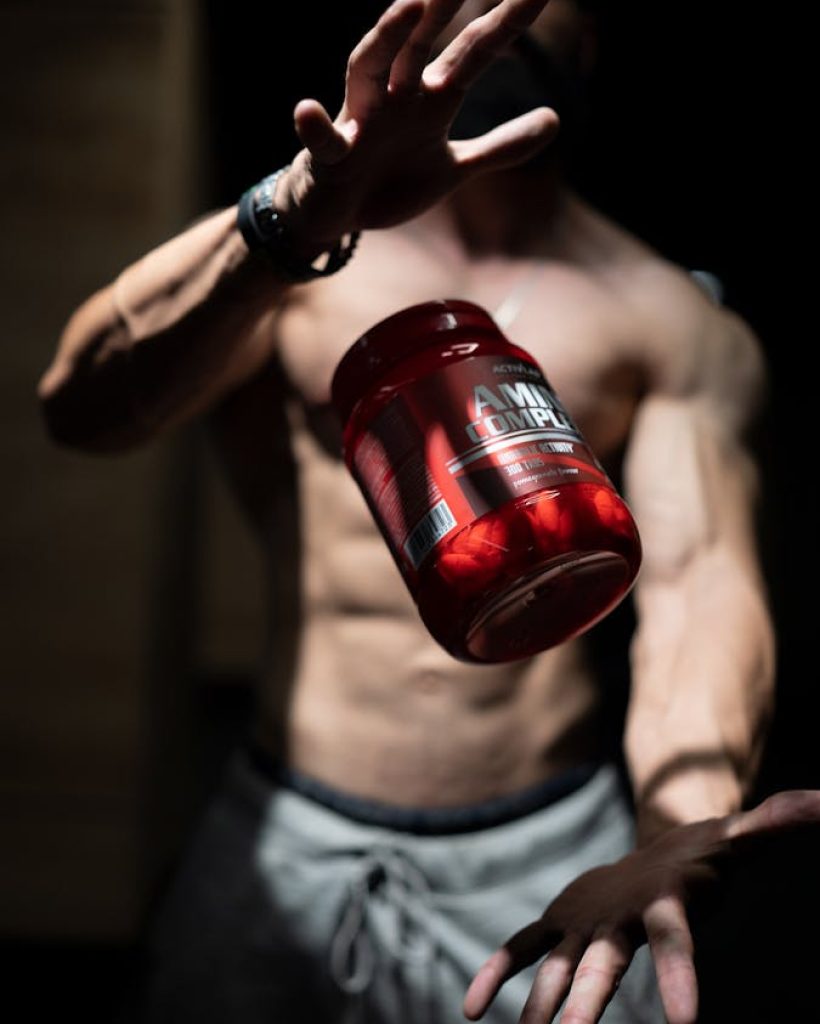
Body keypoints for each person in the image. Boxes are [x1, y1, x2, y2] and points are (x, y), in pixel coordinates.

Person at [37, 1, 819, 1022]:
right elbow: (84, 409)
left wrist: (677, 824)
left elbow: (700, 583)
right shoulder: (298, 256)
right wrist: (294, 216)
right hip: (286, 830)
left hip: (549, 850)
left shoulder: (660, 317)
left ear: (585, 40)